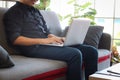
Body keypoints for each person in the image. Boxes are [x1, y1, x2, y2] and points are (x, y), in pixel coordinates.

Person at [3, 0, 98, 80]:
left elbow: (46, 32)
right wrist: (43, 41)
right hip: (32, 48)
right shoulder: (13, 12)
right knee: (75, 54)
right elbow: (15, 39)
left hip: (45, 44)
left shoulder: (35, 10)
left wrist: (55, 38)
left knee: (91, 51)